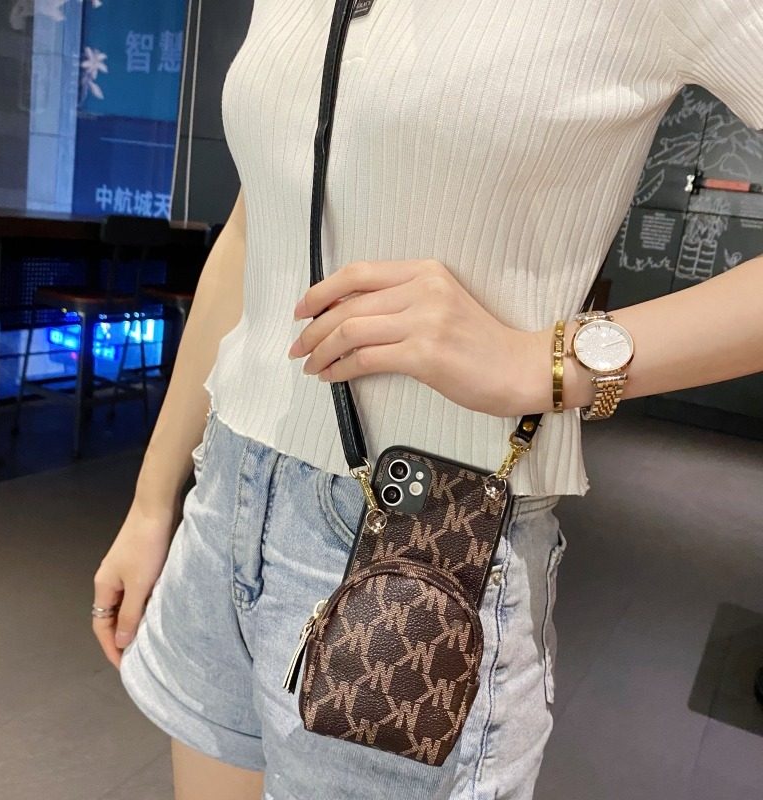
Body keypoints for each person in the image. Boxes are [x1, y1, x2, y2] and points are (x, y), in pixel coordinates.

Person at [92, 1, 763, 798]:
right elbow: (255, 228)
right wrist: (152, 501)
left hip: (425, 547)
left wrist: (548, 362)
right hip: (225, 499)